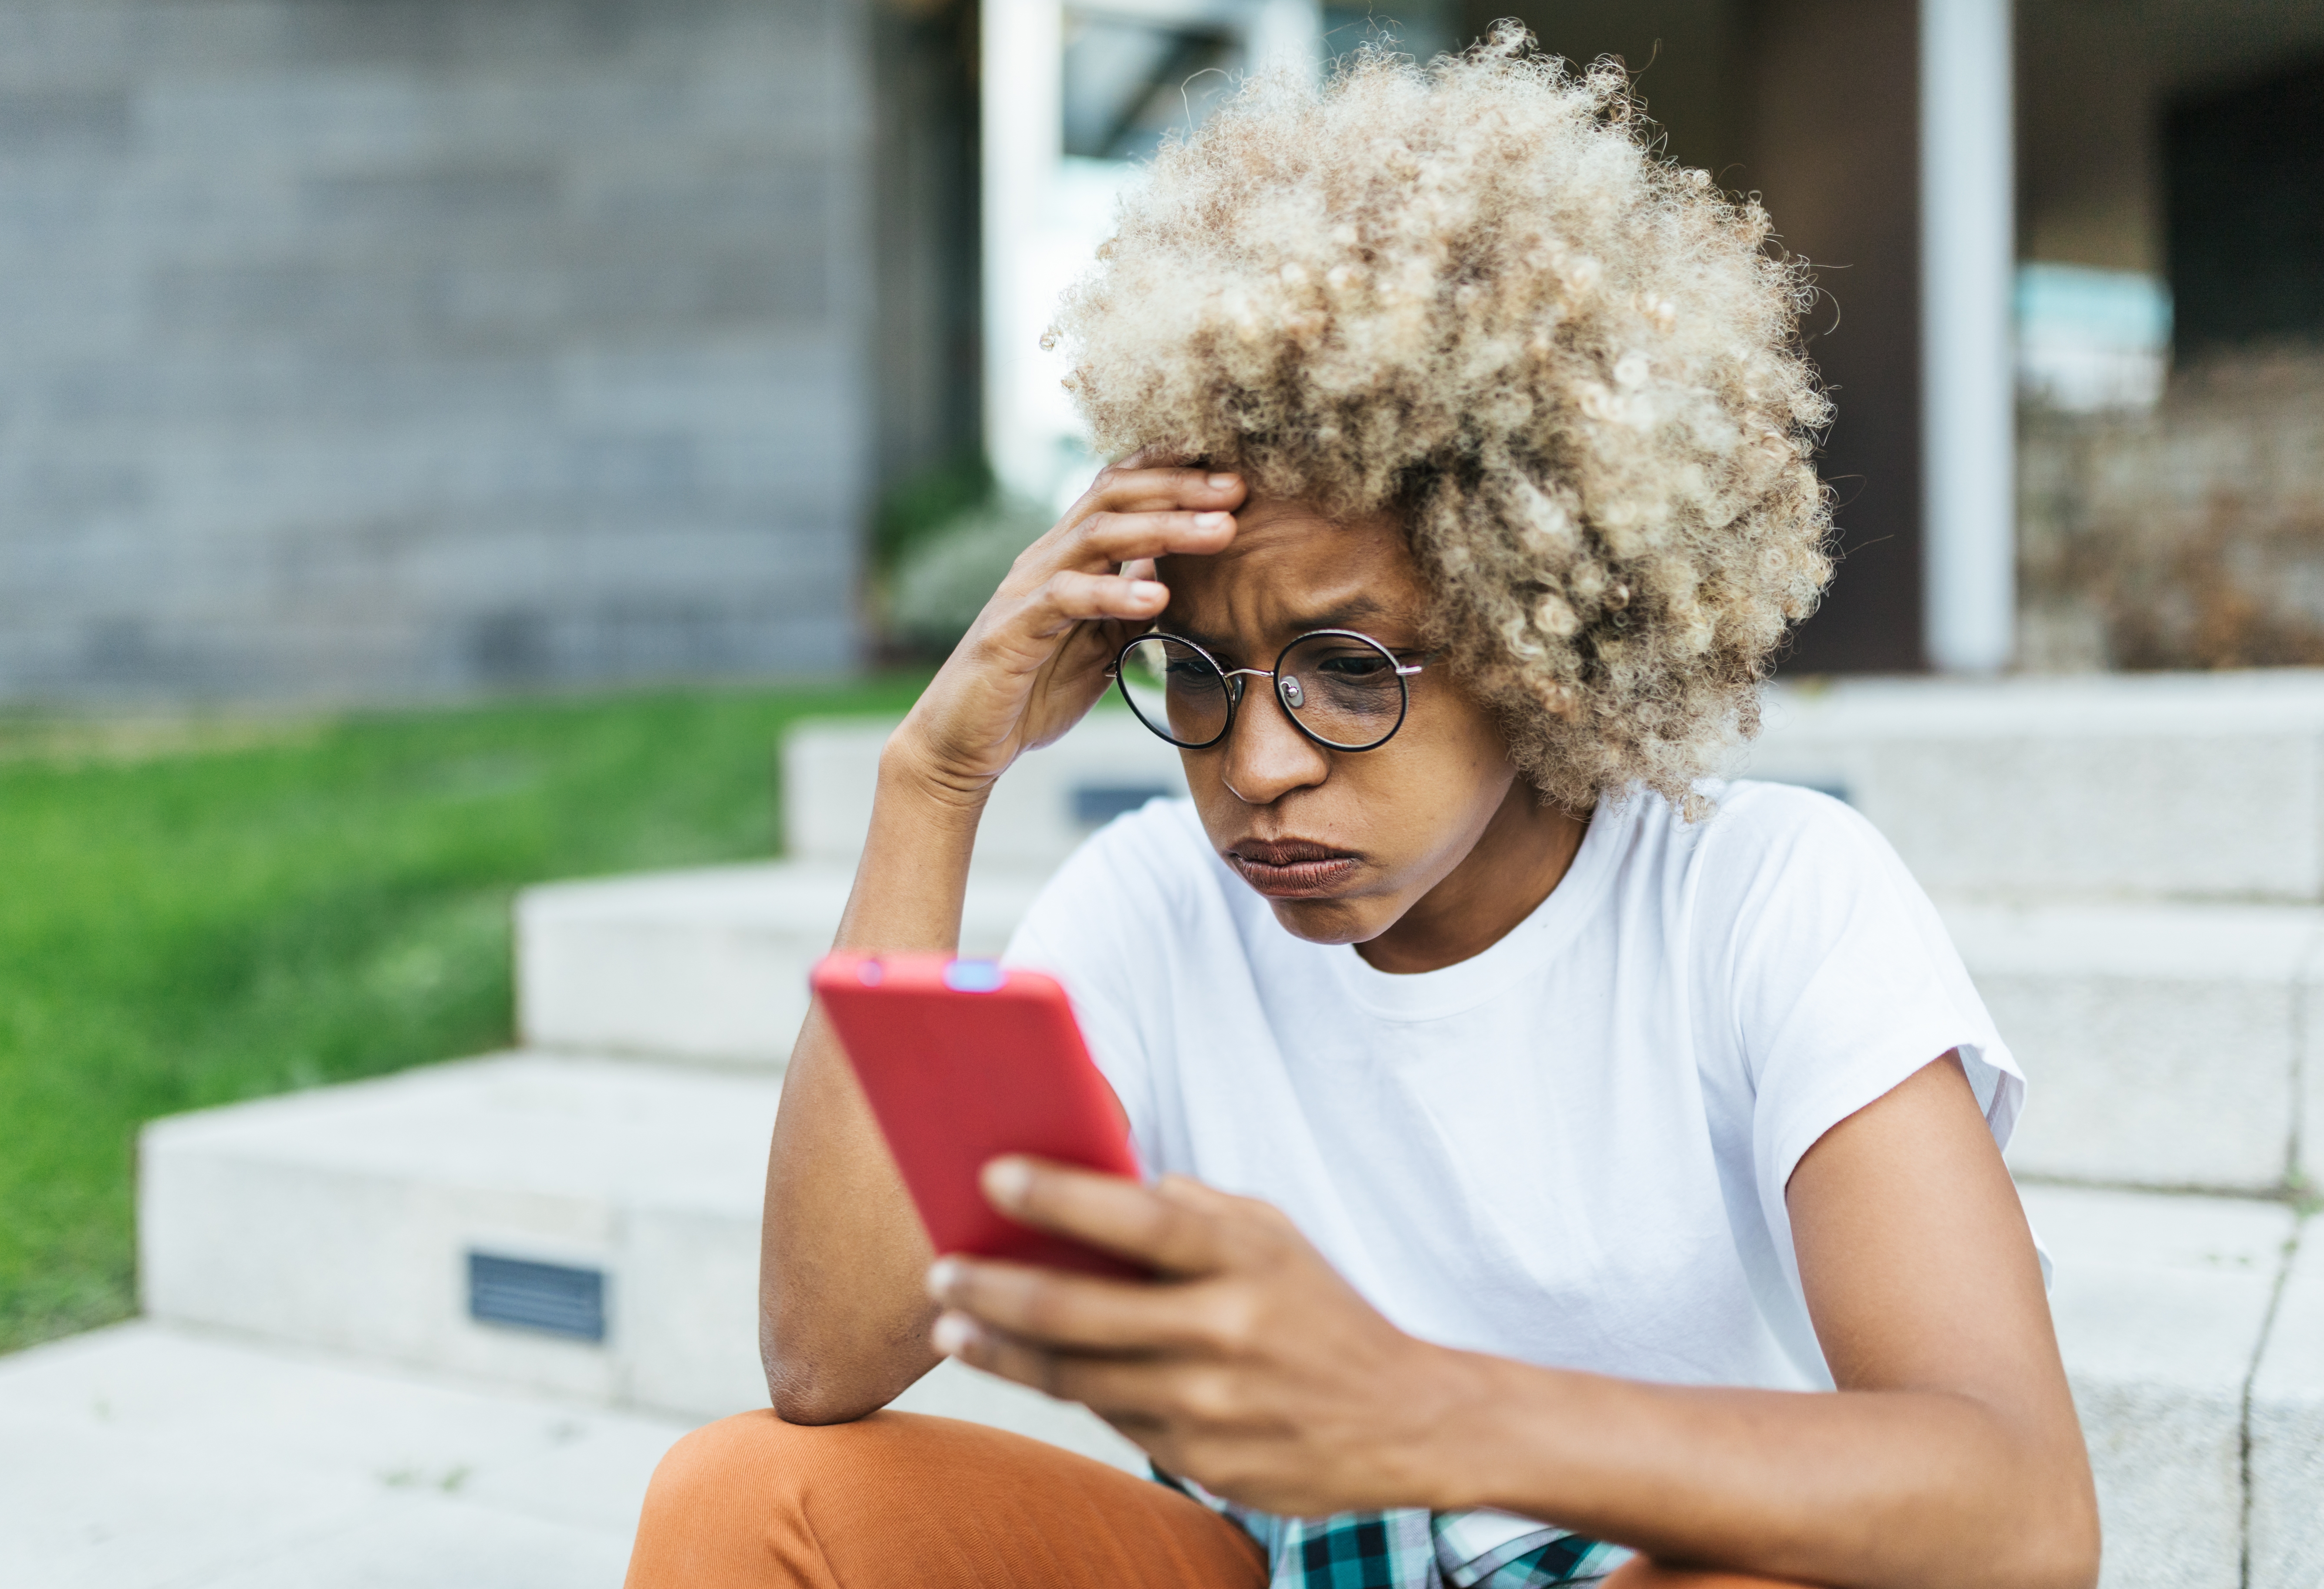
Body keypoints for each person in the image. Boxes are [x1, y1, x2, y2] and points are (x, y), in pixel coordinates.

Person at [625, 30, 2098, 1589]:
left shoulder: (1765, 897)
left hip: (1658, 1560)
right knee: (749, 1500)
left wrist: (1427, 1414)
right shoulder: (1151, 913)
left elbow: (2020, 1514)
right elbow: (827, 1362)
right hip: (1278, 1566)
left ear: (1542, 628)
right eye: (1196, 672)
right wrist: (934, 783)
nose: (1256, 766)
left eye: (1343, 667)